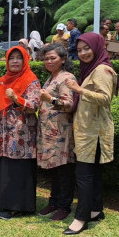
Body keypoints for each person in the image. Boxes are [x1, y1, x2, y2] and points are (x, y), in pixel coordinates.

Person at [63, 32, 118, 235]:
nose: (83, 53)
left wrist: (79, 90)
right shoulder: (91, 69)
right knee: (92, 174)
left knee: (84, 175)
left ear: (97, 47)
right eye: (79, 50)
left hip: (93, 132)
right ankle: (96, 210)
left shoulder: (102, 70)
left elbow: (105, 98)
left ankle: (81, 218)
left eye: (87, 48)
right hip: (88, 129)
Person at [0, 46, 41, 220]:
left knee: (20, 169)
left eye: (18, 58)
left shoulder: (31, 80)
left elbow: (34, 105)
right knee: (5, 169)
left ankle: (20, 205)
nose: (14, 61)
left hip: (22, 134)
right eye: (11, 58)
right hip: (2, 134)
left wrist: (16, 98)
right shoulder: (2, 81)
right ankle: (4, 202)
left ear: (25, 60)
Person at [36, 44, 75, 221]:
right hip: (49, 131)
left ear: (63, 59)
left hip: (61, 131)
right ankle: (53, 202)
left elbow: (69, 104)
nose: (49, 61)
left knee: (64, 169)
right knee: (54, 168)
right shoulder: (51, 78)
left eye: (53, 58)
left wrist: (49, 98)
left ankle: (64, 205)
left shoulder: (66, 78)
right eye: (46, 59)